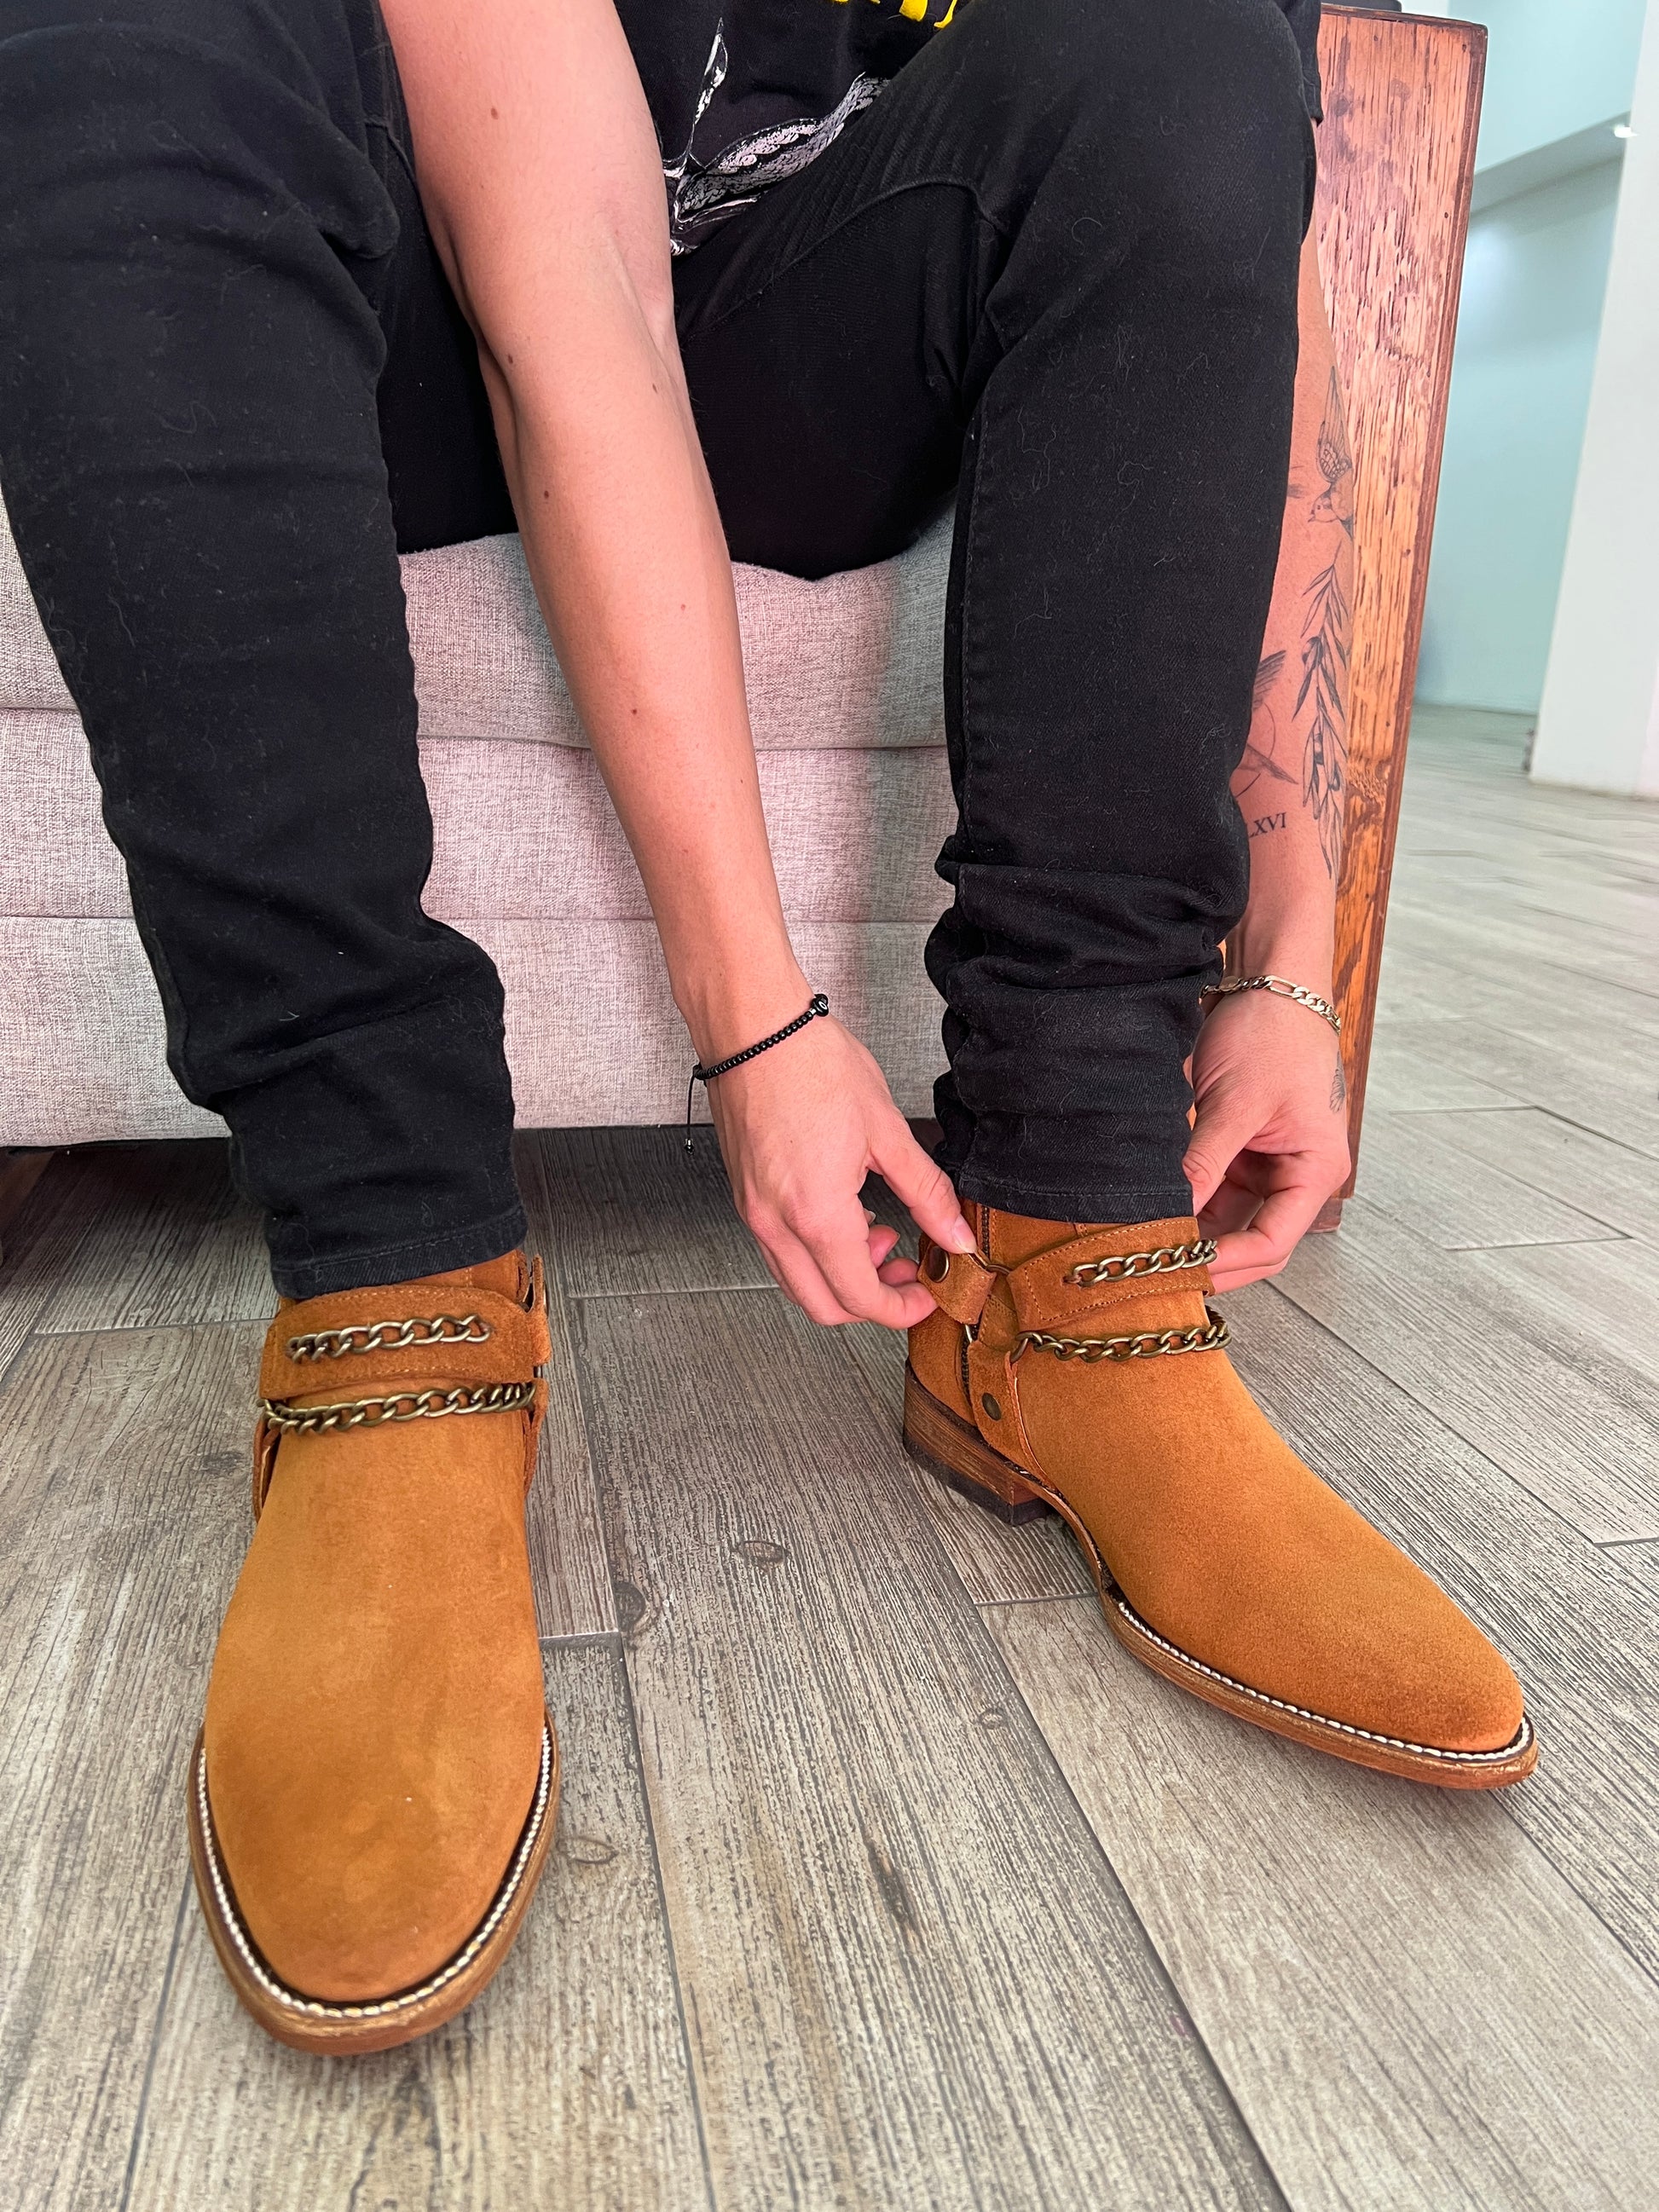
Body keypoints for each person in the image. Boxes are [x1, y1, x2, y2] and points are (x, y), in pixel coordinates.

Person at [0, 0, 1535, 2054]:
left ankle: (1073, 1275)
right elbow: (574, 302)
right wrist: (757, 1027)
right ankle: (395, 1274)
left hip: (816, 320)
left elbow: (1248, 298)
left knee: (1177, 39)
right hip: (416, 294)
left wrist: (1283, 947)